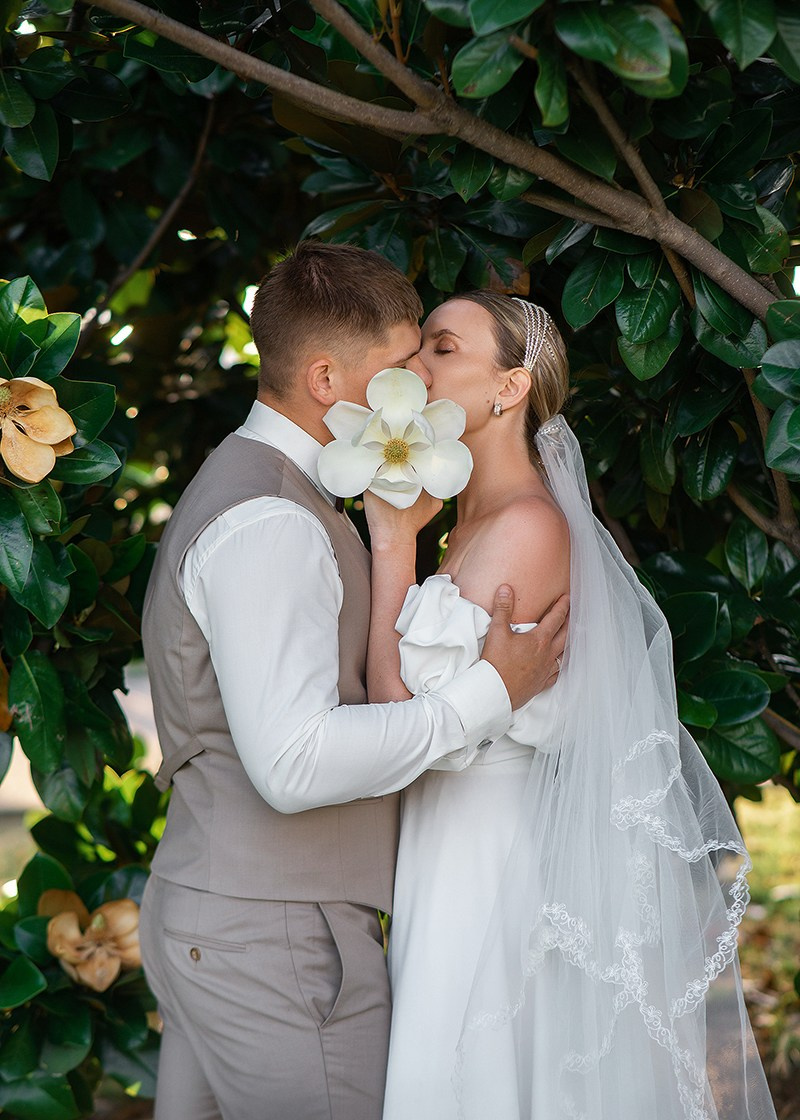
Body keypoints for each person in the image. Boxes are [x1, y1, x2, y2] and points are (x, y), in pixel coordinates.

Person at [137, 243, 569, 1120]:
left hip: (234, 921)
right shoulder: (271, 522)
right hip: (271, 940)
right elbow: (293, 763)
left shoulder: (278, 493)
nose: (416, 384)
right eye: (400, 364)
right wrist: (490, 692)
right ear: (328, 378)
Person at [368, 292, 777, 1120]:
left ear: (510, 388)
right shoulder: (457, 524)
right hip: (445, 839)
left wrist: (389, 549)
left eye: (443, 349)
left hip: (485, 854)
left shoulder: (527, 528)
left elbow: (403, 723)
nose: (415, 367)